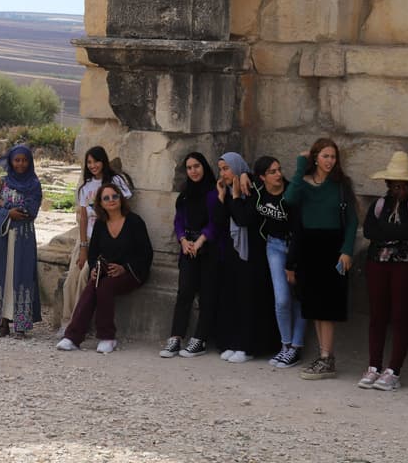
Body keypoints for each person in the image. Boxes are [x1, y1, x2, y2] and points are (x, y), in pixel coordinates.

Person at [284, 137, 359, 381]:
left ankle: (328, 358)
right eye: (325, 156)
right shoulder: (303, 183)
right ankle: (322, 355)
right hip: (309, 248)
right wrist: (298, 166)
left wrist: (347, 249)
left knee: (328, 307)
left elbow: (352, 220)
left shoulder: (341, 184)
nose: (329, 161)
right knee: (315, 306)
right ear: (315, 157)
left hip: (333, 247)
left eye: (333, 156)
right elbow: (289, 199)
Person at [357, 151, 408, 392]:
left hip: (405, 266)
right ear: (388, 185)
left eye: (403, 185)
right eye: (395, 185)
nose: (399, 189)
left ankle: (394, 370)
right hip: (378, 263)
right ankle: (373, 366)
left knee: (400, 316)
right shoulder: (378, 205)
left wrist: (386, 232)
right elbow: (369, 231)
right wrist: (391, 233)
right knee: (377, 316)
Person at [57, 182, 153, 352]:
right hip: (106, 271)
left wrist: (124, 268)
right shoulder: (101, 224)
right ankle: (72, 337)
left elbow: (146, 253)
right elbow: (93, 253)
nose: (111, 200)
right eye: (106, 198)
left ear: (121, 199)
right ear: (100, 203)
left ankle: (107, 337)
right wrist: (94, 268)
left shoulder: (134, 221)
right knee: (92, 286)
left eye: (115, 196)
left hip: (133, 271)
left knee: (104, 286)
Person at [59, 146, 133, 334]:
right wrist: (83, 246)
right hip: (87, 237)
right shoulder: (86, 186)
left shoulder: (116, 181)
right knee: (71, 279)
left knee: (86, 276)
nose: (93, 165)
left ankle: (78, 324)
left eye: (96, 161)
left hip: (105, 238)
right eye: (89, 162)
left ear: (104, 161)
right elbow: (83, 218)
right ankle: (66, 322)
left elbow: (124, 207)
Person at [217, 151, 279, 364]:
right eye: (221, 169)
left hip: (254, 254)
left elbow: (243, 219)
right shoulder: (229, 189)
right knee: (235, 298)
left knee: (250, 300)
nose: (223, 173)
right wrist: (222, 198)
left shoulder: (251, 189)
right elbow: (221, 221)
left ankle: (248, 346)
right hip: (236, 254)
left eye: (226, 168)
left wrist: (235, 197)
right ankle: (235, 342)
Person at [0, 145, 43, 338]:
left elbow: (29, 210)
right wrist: (8, 212)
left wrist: (4, 204)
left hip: (23, 239)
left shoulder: (34, 184)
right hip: (1, 239)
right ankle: (3, 323)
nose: (20, 164)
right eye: (17, 160)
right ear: (11, 162)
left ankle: (20, 326)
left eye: (24, 160)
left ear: (29, 162)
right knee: (2, 276)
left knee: (20, 276)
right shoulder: (0, 183)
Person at [160, 152, 220, 359]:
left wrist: (201, 240)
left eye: (197, 166)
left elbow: (216, 221)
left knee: (207, 294)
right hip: (188, 248)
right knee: (184, 292)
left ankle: (200, 339)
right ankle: (175, 337)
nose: (193, 171)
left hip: (208, 248)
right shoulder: (185, 194)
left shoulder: (213, 192)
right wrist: (183, 240)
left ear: (204, 167)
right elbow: (179, 221)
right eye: (189, 167)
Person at [248, 156, 305, 369]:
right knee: (281, 298)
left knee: (299, 298)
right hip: (273, 246)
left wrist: (291, 264)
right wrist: (243, 177)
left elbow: (299, 229)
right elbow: (243, 175)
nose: (278, 174)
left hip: (296, 248)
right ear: (262, 177)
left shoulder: (290, 193)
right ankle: (285, 345)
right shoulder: (259, 191)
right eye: (272, 171)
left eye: (279, 169)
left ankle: (296, 348)